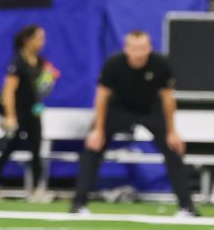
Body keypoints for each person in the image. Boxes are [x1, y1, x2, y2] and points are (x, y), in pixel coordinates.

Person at [72, 30, 198, 216]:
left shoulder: (160, 65)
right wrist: (97, 130)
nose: (138, 53)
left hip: (149, 110)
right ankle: (78, 204)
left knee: (173, 149)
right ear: (126, 49)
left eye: (142, 48)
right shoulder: (114, 64)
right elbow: (101, 97)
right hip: (119, 109)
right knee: (93, 148)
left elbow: (168, 99)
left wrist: (172, 131)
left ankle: (187, 207)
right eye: (134, 48)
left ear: (149, 48)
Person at [0, 25, 58, 202]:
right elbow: (9, 91)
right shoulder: (17, 62)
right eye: (38, 38)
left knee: (36, 148)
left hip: (33, 112)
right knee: (9, 148)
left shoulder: (42, 62)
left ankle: (37, 188)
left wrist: (48, 82)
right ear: (27, 40)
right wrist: (11, 116)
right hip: (17, 112)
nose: (42, 42)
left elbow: (41, 88)